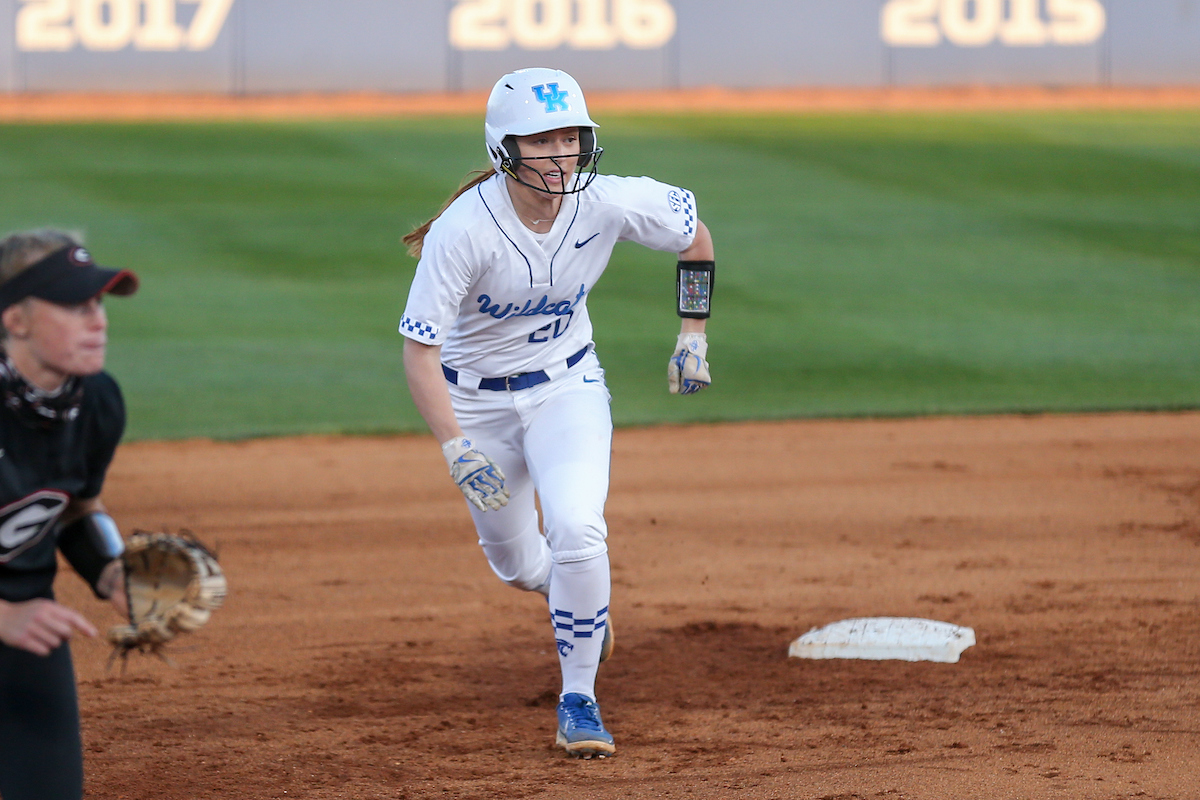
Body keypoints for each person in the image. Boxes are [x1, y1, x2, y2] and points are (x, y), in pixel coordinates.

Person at [399, 67, 715, 759]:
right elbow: (418, 353)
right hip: (474, 404)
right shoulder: (464, 232)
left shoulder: (607, 202)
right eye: (542, 140)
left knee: (578, 527)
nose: (561, 153)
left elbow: (696, 236)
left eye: (571, 136)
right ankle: (574, 598)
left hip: (567, 389)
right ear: (504, 150)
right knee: (518, 565)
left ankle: (579, 699)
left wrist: (693, 333)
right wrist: (456, 447)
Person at [0, 230, 138, 799]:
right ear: (17, 320)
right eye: (76, 306)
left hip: (28, 632)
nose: (98, 321)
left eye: (99, 305)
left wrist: (112, 569)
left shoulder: (96, 402)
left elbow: (76, 505)